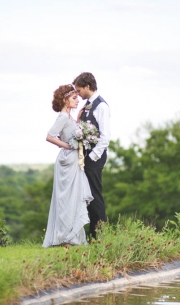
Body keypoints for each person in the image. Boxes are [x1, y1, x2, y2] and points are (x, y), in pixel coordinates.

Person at [43, 84, 94, 247]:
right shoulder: (63, 117)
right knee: (66, 198)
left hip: (74, 160)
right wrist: (66, 145)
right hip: (67, 160)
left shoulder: (69, 117)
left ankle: (72, 237)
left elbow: (70, 132)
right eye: (74, 98)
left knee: (74, 197)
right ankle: (64, 237)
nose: (77, 101)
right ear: (65, 100)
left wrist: (78, 120)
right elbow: (50, 136)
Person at [72, 72, 110, 239]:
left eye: (79, 90)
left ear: (88, 87)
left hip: (94, 157)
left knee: (95, 195)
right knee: (88, 196)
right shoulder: (88, 105)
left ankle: (99, 236)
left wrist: (92, 157)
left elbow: (105, 137)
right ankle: (92, 235)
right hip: (86, 155)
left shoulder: (101, 106)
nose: (77, 94)